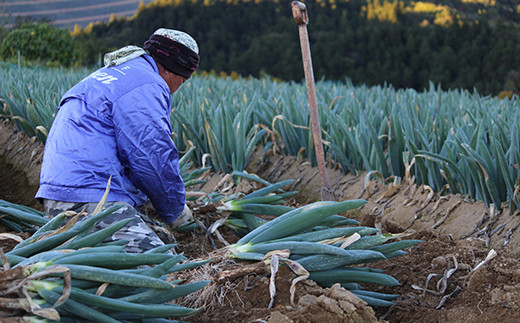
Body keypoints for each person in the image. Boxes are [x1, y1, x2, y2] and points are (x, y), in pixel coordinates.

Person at [35, 28, 200, 253]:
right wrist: (176, 210)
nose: (177, 89)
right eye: (182, 80)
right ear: (171, 70)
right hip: (90, 199)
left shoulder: (118, 73)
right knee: (163, 263)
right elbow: (151, 158)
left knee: (164, 238)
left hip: (61, 194)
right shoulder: (147, 84)